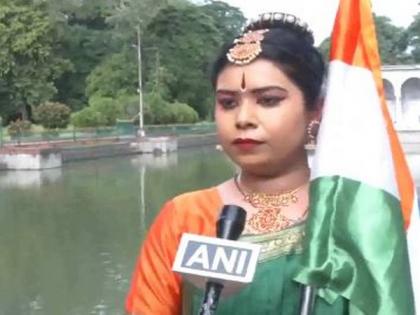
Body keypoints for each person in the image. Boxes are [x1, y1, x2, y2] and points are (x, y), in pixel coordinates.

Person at [125, 12, 348, 315]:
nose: (243, 119)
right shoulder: (185, 217)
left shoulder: (349, 216)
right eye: (228, 103)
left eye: (268, 100)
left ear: (315, 112)